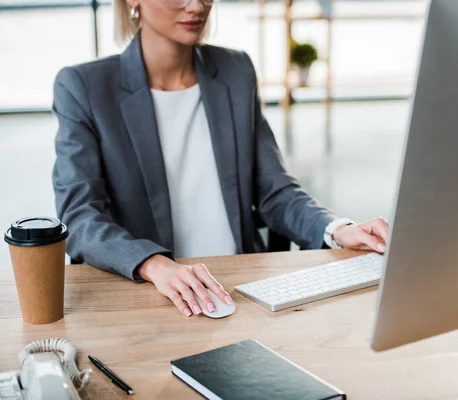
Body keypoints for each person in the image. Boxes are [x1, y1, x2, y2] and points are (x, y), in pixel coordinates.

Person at [52, 0, 389, 317]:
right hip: (154, 296)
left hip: (244, 291)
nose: (197, 6)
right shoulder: (84, 87)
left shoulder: (235, 71)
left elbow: (275, 190)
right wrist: (153, 264)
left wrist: (336, 229)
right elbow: (80, 216)